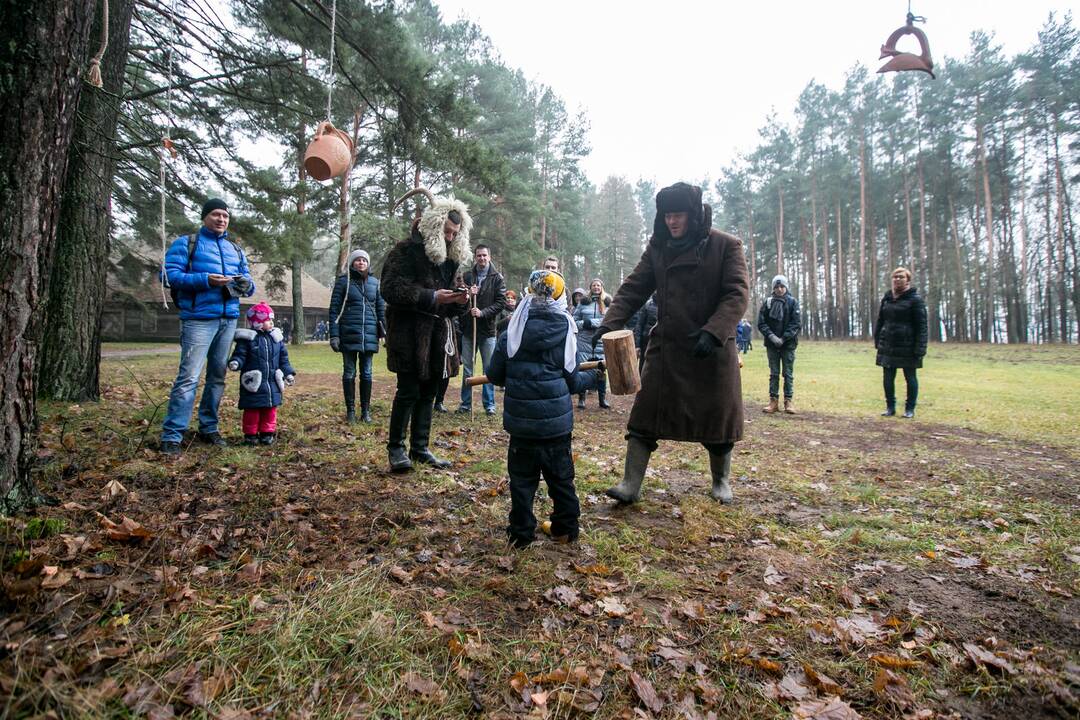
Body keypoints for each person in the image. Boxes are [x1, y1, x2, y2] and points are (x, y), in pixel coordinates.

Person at [594, 182, 749, 505]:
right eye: (666, 216)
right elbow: (634, 287)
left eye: (678, 215)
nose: (672, 222)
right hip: (669, 349)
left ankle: (721, 481)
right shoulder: (659, 248)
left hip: (712, 350)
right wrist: (610, 323)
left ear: (693, 216)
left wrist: (713, 331)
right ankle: (630, 484)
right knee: (644, 418)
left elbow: (737, 294)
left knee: (717, 424)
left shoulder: (726, 246)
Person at [485, 270, 603, 548]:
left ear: (529, 293)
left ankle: (521, 533)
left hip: (522, 424)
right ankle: (565, 528)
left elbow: (495, 374)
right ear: (560, 296)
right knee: (561, 478)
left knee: (522, 481)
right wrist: (596, 378)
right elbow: (573, 380)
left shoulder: (512, 329)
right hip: (555, 426)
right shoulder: (566, 329)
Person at [381, 188, 471, 472]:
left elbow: (450, 298)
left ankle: (419, 448)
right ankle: (396, 448)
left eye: (455, 233)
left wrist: (460, 299)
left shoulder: (450, 260)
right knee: (408, 391)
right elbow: (391, 289)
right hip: (408, 335)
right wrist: (431, 297)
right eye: (446, 231)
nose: (450, 237)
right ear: (433, 226)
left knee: (429, 393)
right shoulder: (404, 251)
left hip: (437, 336)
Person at [159, 198, 255, 455]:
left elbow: (250, 284)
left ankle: (208, 428)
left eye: (225, 216)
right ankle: (172, 434)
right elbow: (168, 276)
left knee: (217, 377)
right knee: (189, 377)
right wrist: (206, 280)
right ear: (204, 217)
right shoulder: (186, 244)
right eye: (216, 214)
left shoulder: (235, 250)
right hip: (199, 319)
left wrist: (245, 283)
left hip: (228, 318)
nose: (221, 219)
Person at [329, 249, 386, 423]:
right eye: (358, 260)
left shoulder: (375, 283)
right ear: (352, 263)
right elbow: (334, 310)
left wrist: (385, 332)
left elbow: (380, 310)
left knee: (367, 373)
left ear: (368, 264)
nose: (361, 262)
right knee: (349, 373)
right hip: (348, 334)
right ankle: (351, 412)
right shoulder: (343, 283)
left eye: (364, 260)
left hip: (369, 336)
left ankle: (366, 412)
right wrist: (334, 335)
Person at [227, 302, 296, 446]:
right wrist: (236, 362)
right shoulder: (247, 340)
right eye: (268, 321)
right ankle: (250, 434)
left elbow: (284, 360)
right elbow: (240, 355)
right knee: (252, 409)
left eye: (272, 320)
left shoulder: (276, 340)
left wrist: (288, 373)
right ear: (257, 323)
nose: (271, 323)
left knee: (270, 409)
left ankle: (267, 433)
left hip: (272, 382)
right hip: (254, 381)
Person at [458, 245, 508, 415]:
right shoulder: (467, 276)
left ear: (489, 257)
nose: (481, 258)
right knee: (467, 368)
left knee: (488, 369)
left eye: (484, 255)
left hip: (487, 331)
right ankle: (465, 404)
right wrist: (468, 296)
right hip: (468, 330)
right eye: (479, 255)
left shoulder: (497, 278)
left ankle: (489, 405)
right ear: (475, 257)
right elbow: (459, 301)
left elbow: (501, 303)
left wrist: (482, 312)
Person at [874, 267, 928, 418]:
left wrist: (920, 347)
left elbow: (922, 326)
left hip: (908, 345)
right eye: (895, 277)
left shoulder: (915, 300)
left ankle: (909, 409)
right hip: (888, 344)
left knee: (910, 376)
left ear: (908, 280)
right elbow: (880, 320)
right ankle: (890, 407)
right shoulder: (887, 298)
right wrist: (877, 338)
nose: (897, 279)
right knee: (887, 377)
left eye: (901, 277)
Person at [757, 275, 801, 414]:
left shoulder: (793, 302)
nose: (779, 289)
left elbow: (796, 324)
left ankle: (788, 401)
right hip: (771, 344)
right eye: (776, 287)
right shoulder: (767, 303)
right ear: (773, 288)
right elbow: (761, 323)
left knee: (788, 374)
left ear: (786, 287)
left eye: (782, 286)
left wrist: (783, 338)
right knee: (774, 373)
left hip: (788, 345)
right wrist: (771, 336)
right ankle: (773, 401)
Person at [572, 278, 612, 409]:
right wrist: (585, 324)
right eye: (594, 285)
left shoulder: (608, 302)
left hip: (601, 342)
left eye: (598, 285)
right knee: (583, 368)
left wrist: (593, 323)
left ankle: (602, 399)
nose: (596, 287)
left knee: (601, 369)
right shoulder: (583, 302)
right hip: (584, 342)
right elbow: (574, 320)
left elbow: (609, 321)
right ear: (590, 287)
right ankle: (581, 398)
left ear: (602, 287)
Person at [633, 293, 658, 371]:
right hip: (646, 342)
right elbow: (639, 325)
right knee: (644, 367)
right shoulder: (647, 305)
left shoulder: (669, 305)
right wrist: (637, 345)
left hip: (662, 343)